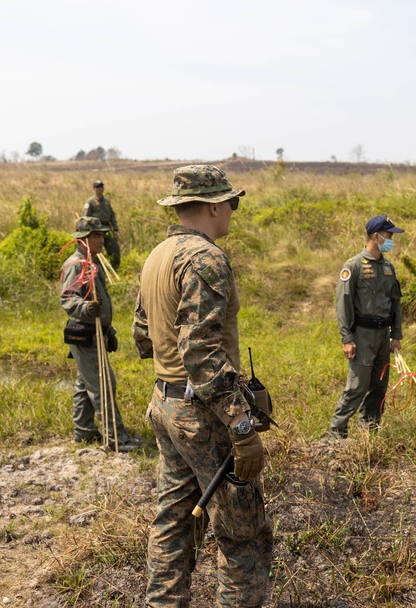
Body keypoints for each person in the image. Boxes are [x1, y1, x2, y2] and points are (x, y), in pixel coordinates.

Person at [132, 165, 272, 607]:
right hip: (203, 414)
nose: (232, 210)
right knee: (242, 535)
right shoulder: (205, 259)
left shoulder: (158, 255)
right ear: (213, 205)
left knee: (173, 524)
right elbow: (201, 352)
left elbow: (142, 333)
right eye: (231, 202)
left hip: (166, 404)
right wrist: (241, 426)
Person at [60, 216, 141, 451]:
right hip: (85, 334)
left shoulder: (93, 262)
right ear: (83, 240)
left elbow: (101, 301)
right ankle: (116, 439)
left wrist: (109, 331)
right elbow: (68, 298)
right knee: (103, 384)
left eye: (102, 235)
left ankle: (84, 431)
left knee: (85, 384)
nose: (101, 240)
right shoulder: (76, 264)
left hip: (97, 333)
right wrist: (85, 308)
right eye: (96, 236)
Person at [328, 214, 404, 439]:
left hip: (382, 336)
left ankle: (369, 433)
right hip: (362, 335)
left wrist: (396, 335)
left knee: (379, 386)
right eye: (389, 235)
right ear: (375, 236)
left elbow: (395, 304)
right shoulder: (353, 266)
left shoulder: (388, 268)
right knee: (357, 387)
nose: (391, 240)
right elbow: (343, 304)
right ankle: (336, 433)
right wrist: (347, 338)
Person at [82, 180, 121, 270]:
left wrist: (115, 229)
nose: (100, 189)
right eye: (97, 187)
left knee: (115, 250)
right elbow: (86, 217)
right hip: (95, 229)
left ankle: (115, 269)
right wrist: (87, 232)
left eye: (101, 187)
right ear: (94, 189)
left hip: (106, 228)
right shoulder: (90, 202)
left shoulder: (106, 201)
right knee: (96, 252)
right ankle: (98, 270)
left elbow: (112, 216)